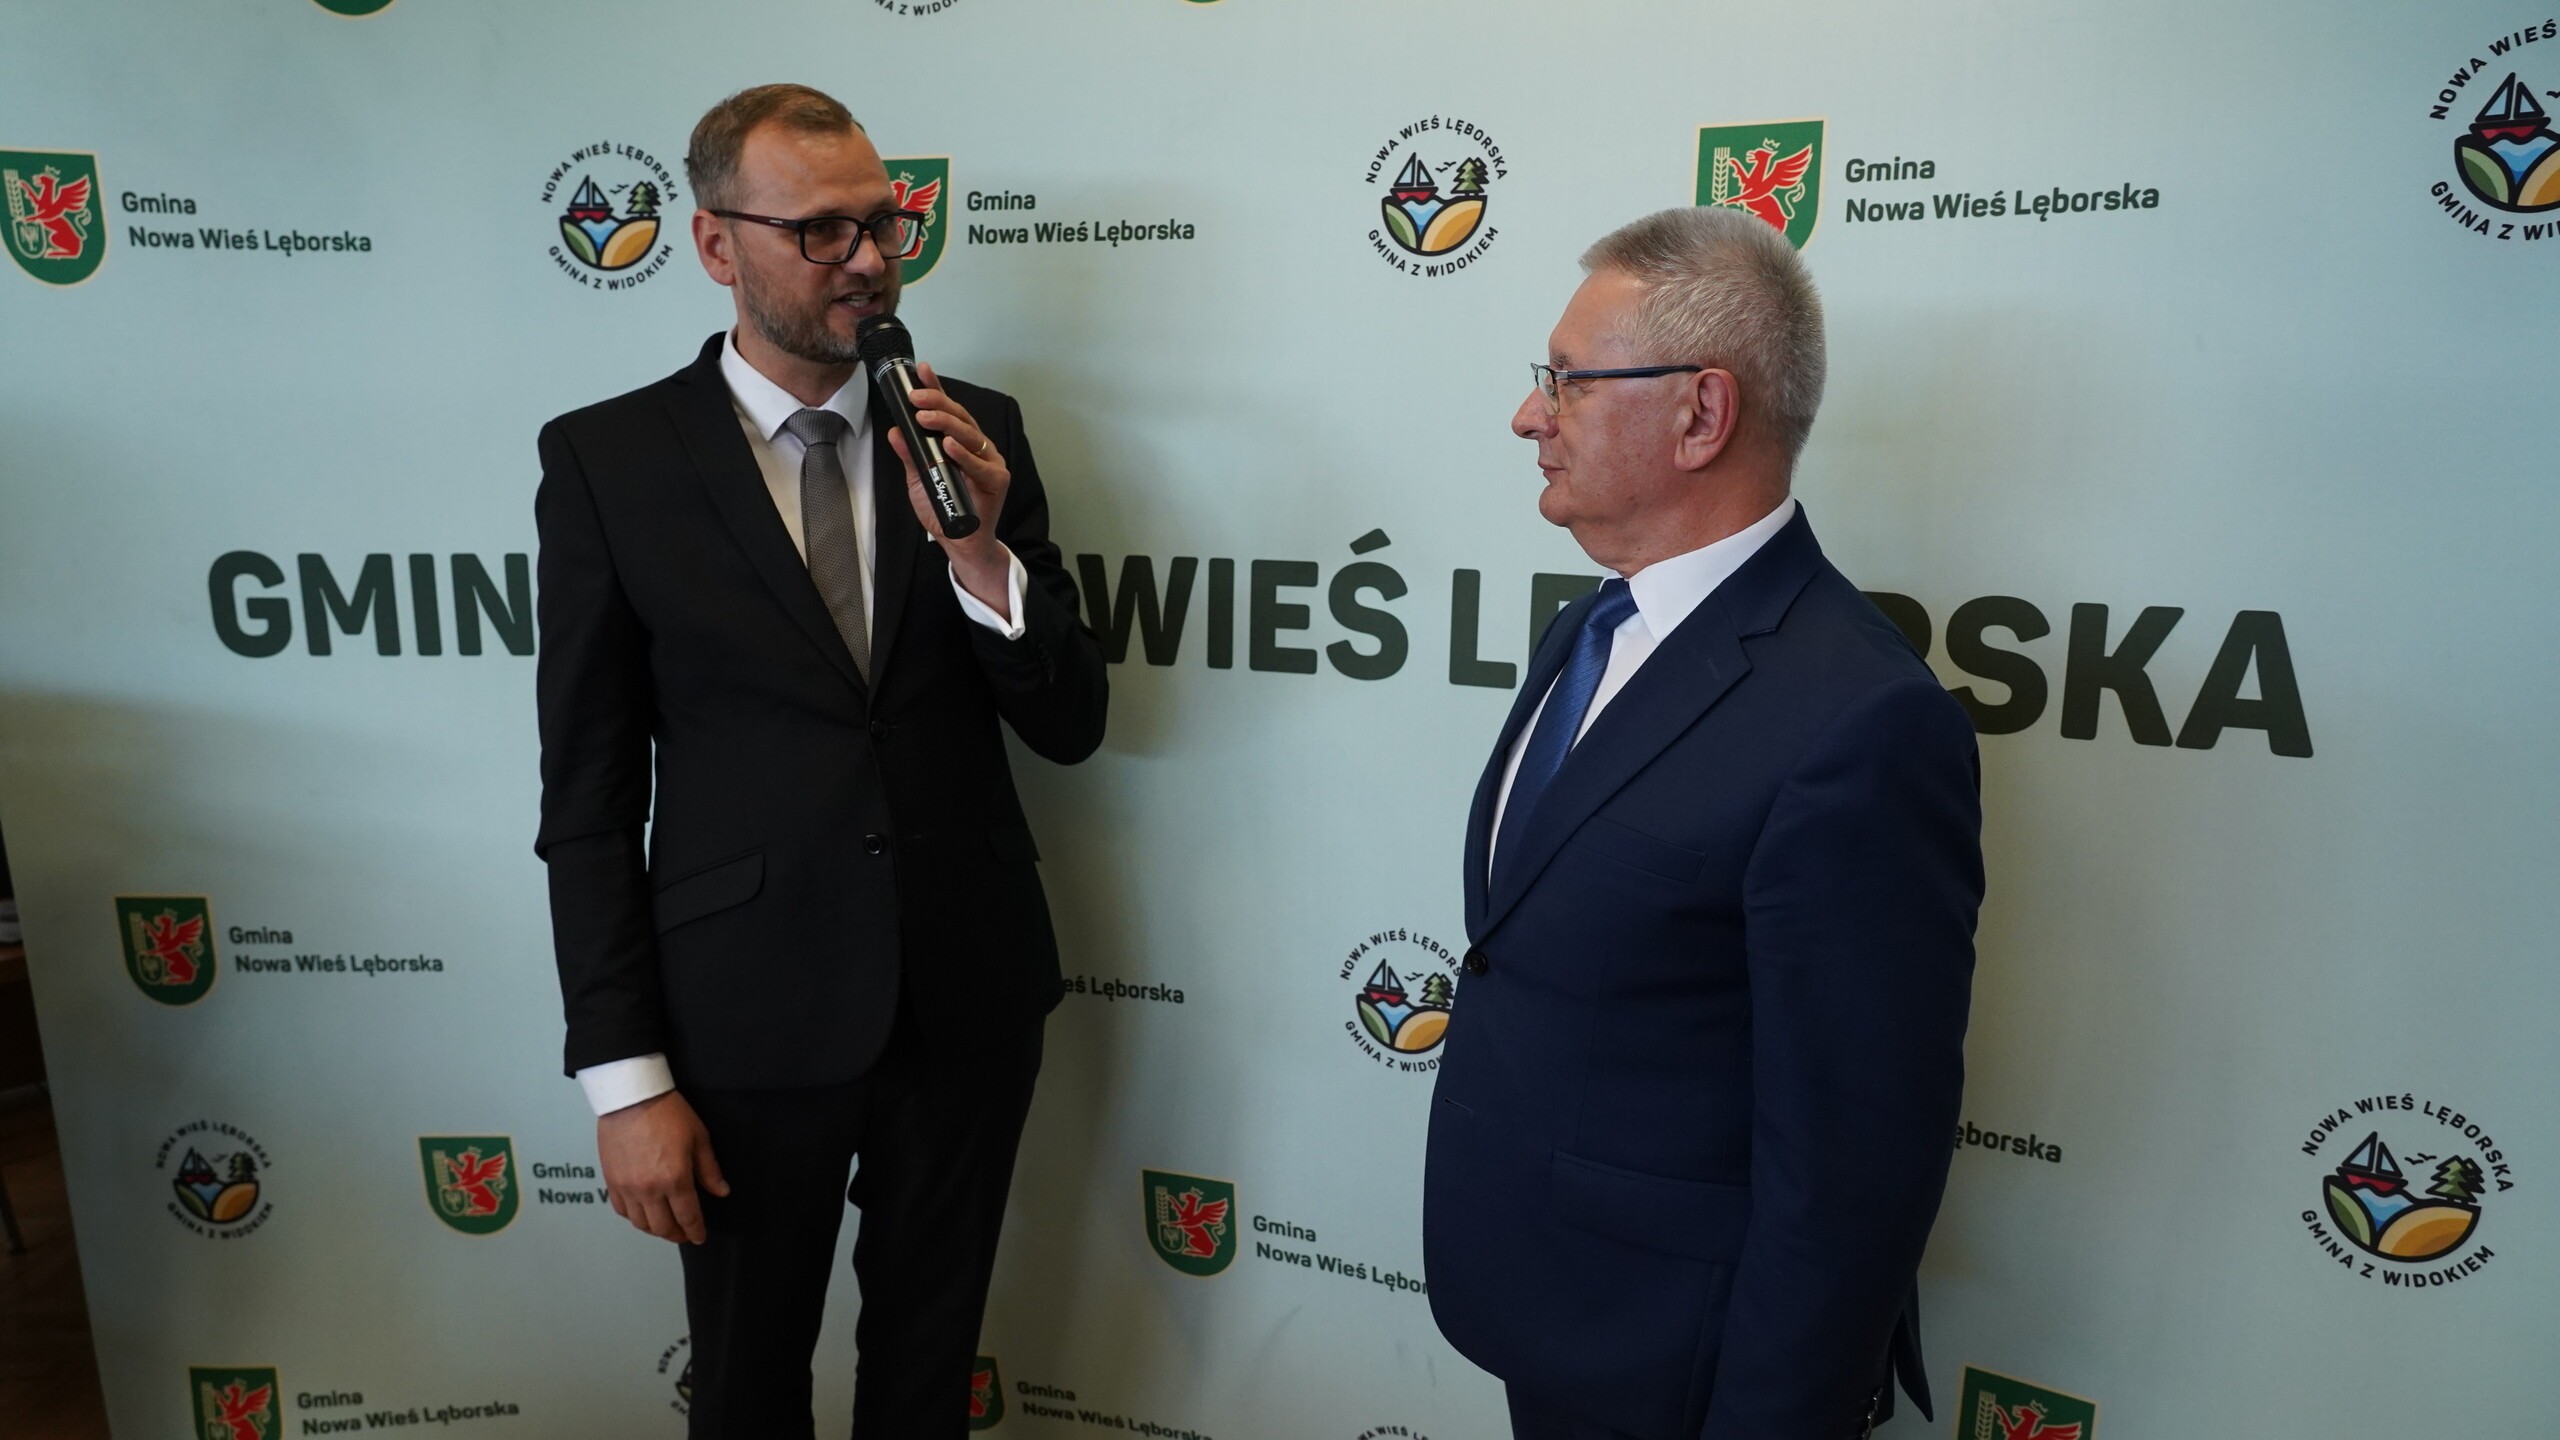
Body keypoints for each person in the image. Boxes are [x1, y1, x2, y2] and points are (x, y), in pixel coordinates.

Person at [533, 83, 1106, 1439]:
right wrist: (625, 1080)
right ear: (715, 244)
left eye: (882, 224)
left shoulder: (978, 430)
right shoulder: (611, 459)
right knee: (745, 1387)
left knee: (927, 1379)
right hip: (741, 1018)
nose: (867, 259)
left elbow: (1070, 721)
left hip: (966, 1001)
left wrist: (982, 552)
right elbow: (590, 797)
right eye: (820, 231)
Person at [1421, 206, 1984, 1440]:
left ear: (1700, 414)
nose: (1527, 417)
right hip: (1550, 1308)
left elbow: (1851, 1168)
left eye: (1564, 382)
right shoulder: (1589, 626)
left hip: (1686, 1364)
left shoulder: (1863, 722)